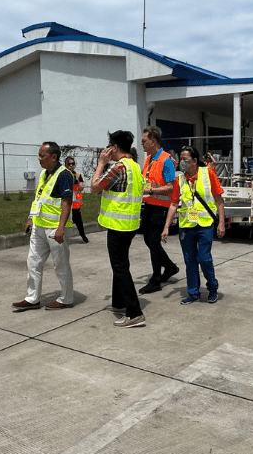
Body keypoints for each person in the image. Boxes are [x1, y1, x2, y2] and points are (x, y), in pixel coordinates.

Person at [89, 130, 147, 328]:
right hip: (130, 223)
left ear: (113, 148)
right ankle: (119, 303)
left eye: (108, 146)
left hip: (118, 225)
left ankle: (134, 312)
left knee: (120, 267)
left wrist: (101, 163)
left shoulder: (118, 168)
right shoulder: (134, 167)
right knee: (120, 265)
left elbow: (94, 187)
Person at [12, 142, 74, 311]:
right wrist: (31, 218)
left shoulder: (64, 175)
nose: (39, 158)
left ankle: (66, 298)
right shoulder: (44, 174)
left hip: (55, 229)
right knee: (33, 262)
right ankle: (32, 298)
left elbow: (67, 203)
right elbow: (38, 199)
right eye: (39, 155)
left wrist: (61, 228)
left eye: (42, 155)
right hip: (39, 227)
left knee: (60, 265)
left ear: (54, 157)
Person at [162, 146, 226, 304]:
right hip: (187, 226)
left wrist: (222, 223)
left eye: (185, 160)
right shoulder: (180, 179)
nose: (182, 163)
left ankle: (212, 288)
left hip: (205, 225)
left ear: (195, 161)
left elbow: (219, 201)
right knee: (190, 261)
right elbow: (173, 204)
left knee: (204, 259)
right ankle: (193, 293)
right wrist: (166, 227)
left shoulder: (208, 174)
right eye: (181, 160)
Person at [138, 126, 181, 294]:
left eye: (144, 141)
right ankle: (169, 267)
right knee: (149, 241)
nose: (142, 144)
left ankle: (156, 279)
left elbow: (170, 188)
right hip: (149, 204)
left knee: (153, 241)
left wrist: (150, 191)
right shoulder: (149, 159)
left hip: (160, 207)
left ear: (153, 141)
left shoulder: (166, 161)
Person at [65, 156, 89, 243]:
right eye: (69, 164)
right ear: (66, 165)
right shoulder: (64, 175)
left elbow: (81, 187)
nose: (71, 166)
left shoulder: (78, 175)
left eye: (73, 164)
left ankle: (83, 236)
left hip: (75, 205)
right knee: (63, 222)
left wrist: (77, 181)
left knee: (79, 222)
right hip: (66, 203)